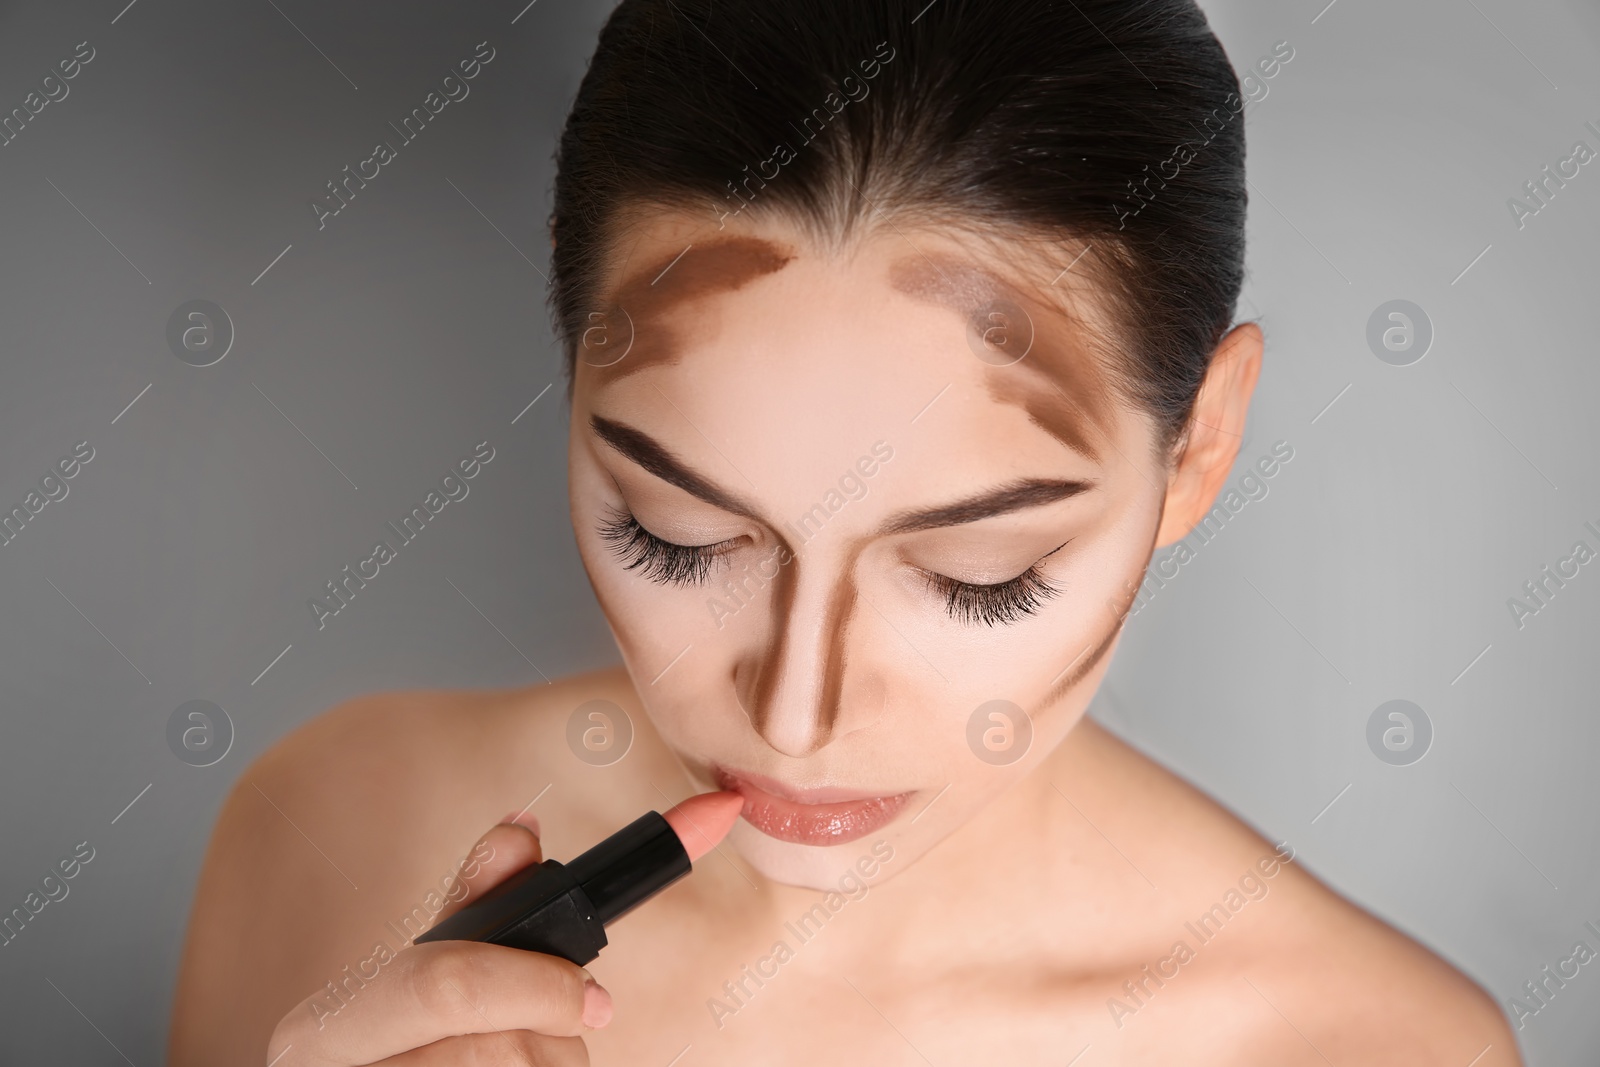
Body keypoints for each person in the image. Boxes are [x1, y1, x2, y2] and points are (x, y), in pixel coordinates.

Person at [169, 0, 1521, 1063]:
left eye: (979, 577)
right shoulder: (332, 835)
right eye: (676, 535)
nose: (794, 716)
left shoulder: (1377, 1050)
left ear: (1200, 447)